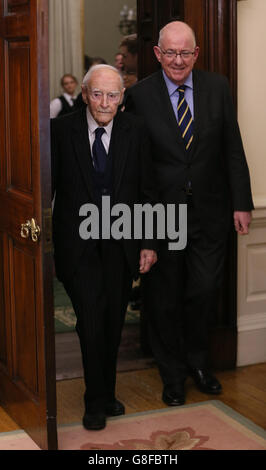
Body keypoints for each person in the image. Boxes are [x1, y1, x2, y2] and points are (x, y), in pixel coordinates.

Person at [125, 21, 254, 406]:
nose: (178, 60)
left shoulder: (218, 87)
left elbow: (232, 145)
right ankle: (173, 375)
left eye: (185, 53)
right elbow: (137, 164)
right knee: (164, 298)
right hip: (162, 216)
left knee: (203, 292)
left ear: (196, 54)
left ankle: (199, 363)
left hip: (210, 214)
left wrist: (242, 202)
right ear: (157, 54)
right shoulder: (140, 96)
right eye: (170, 52)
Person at [51, 64, 157, 430]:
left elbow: (147, 191)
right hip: (77, 248)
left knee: (112, 323)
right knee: (91, 322)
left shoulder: (136, 131)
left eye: (113, 95)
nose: (105, 102)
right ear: (84, 95)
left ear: (122, 99)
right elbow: (45, 188)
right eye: (97, 93)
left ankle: (107, 392)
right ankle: (94, 401)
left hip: (122, 245)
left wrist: (148, 242)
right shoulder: (61, 130)